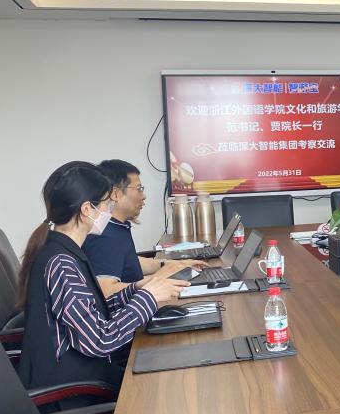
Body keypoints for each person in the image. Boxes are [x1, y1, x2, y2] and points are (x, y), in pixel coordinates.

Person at [17, 161, 187, 391]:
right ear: (87, 209)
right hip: (77, 391)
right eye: (107, 203)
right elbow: (99, 340)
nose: (110, 210)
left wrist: (137, 289)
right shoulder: (61, 263)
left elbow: (92, 309)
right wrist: (147, 298)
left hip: (89, 374)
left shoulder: (65, 250)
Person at [84, 159, 205, 297]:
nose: (144, 196)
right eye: (139, 189)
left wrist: (170, 264)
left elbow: (129, 261)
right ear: (115, 194)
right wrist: (158, 278)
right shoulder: (104, 236)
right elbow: (106, 292)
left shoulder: (115, 227)